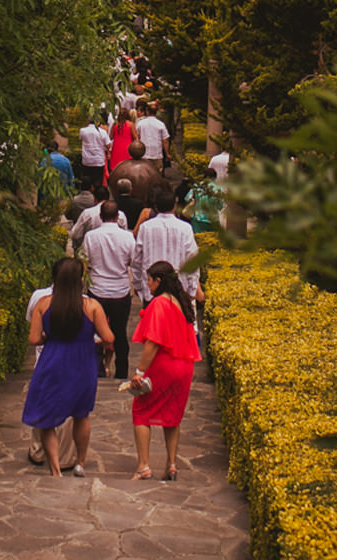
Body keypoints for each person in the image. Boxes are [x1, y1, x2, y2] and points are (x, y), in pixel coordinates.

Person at [22, 258, 113, 477]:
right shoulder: (91, 306)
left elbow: (34, 339)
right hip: (83, 365)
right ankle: (80, 462)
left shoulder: (44, 304)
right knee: (81, 415)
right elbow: (109, 337)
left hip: (52, 362)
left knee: (46, 419)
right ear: (80, 280)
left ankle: (55, 469)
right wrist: (91, 338)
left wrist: (49, 336)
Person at [127, 260, 202, 481]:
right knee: (172, 416)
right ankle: (171, 464)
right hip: (184, 367)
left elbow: (153, 342)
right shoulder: (181, 302)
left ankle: (143, 466)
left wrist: (140, 371)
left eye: (149, 280)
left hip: (165, 365)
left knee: (141, 411)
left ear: (158, 281)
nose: (147, 284)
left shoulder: (159, 303)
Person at [83, 202, 136, 378]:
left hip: (97, 289)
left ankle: (97, 369)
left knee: (95, 332)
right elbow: (133, 261)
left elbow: (84, 260)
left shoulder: (91, 236)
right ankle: (121, 371)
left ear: (100, 217)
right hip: (120, 290)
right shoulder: (127, 237)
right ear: (117, 217)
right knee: (120, 331)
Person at [134, 186, 201, 310]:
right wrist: (191, 290)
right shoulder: (185, 228)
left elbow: (137, 259)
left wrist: (139, 286)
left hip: (152, 289)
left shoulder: (146, 228)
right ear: (175, 207)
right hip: (178, 290)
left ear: (156, 207)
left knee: (153, 327)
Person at [70, 184, 126, 249]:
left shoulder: (87, 214)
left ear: (95, 199)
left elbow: (76, 234)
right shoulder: (121, 215)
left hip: (92, 249)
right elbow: (124, 234)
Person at [77, 111, 110, 192]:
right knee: (98, 182)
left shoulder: (83, 131)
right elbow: (108, 145)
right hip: (99, 161)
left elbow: (80, 139)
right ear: (98, 122)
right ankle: (97, 197)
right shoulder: (102, 132)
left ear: (88, 121)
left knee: (86, 181)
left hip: (86, 160)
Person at [186, 164, 224, 235]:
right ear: (215, 178)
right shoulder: (219, 189)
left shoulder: (196, 186)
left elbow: (187, 199)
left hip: (198, 219)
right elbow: (220, 206)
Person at [135, 104, 170, 169]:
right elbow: (165, 140)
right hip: (157, 154)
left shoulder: (140, 123)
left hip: (144, 154)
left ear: (147, 112)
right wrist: (167, 153)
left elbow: (137, 137)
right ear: (156, 112)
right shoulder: (160, 124)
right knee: (157, 175)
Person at [107, 109, 136, 177]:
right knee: (127, 167)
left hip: (116, 149)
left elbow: (110, 137)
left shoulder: (115, 124)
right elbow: (135, 137)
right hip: (127, 149)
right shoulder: (130, 125)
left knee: (116, 167)